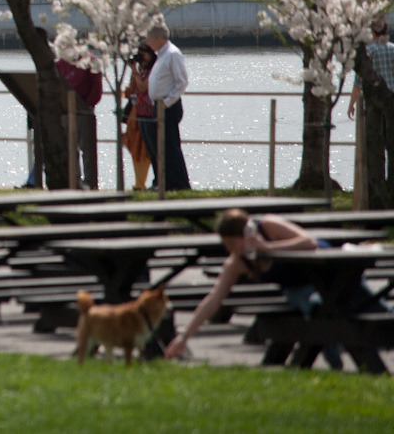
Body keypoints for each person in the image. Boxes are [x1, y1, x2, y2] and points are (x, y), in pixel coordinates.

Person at [163, 209, 383, 366]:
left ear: (245, 234)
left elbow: (309, 243)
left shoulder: (268, 225)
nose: (229, 249)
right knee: (317, 305)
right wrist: (184, 335)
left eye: (232, 243)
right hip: (300, 288)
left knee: (375, 309)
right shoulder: (238, 261)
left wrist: (268, 248)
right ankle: (334, 357)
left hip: (337, 272)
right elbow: (214, 298)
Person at [144, 25, 191, 191]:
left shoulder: (172, 54)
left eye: (149, 39)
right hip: (158, 105)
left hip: (168, 106)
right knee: (161, 146)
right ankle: (167, 182)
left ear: (158, 38)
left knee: (170, 146)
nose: (147, 43)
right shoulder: (161, 56)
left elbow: (182, 82)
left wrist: (166, 102)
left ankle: (180, 184)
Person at [123, 44, 158, 190]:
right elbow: (132, 89)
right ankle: (139, 182)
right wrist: (133, 71)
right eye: (140, 53)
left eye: (144, 53)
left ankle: (151, 181)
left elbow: (144, 87)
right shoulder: (140, 70)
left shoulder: (154, 70)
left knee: (148, 148)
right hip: (137, 114)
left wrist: (134, 70)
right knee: (136, 147)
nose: (141, 56)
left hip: (149, 113)